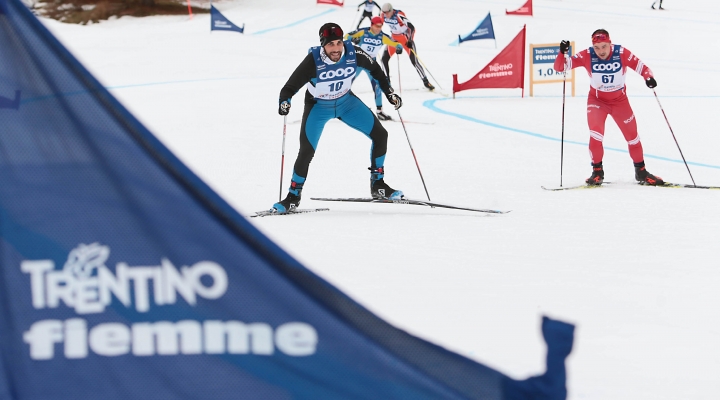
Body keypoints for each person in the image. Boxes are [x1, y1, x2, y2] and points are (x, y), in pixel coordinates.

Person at [274, 22, 404, 213]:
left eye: (338, 43)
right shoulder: (313, 60)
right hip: (318, 107)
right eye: (330, 45)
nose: (335, 49)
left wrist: (390, 93)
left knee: (381, 135)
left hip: (346, 103)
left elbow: (376, 70)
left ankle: (378, 186)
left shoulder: (355, 53)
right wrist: (284, 102)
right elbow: (289, 88)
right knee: (306, 152)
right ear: (322, 45)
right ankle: (293, 196)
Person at [554, 29, 664, 186]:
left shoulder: (621, 52)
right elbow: (560, 67)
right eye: (597, 48)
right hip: (597, 101)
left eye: (604, 46)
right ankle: (597, 171)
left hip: (620, 101)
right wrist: (561, 53)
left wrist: (649, 78)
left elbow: (642, 67)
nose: (601, 51)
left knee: (632, 136)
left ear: (610, 43)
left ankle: (641, 171)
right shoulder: (587, 54)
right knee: (596, 134)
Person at [345, 16, 404, 121]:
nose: (378, 29)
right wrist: (353, 38)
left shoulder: (382, 37)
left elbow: (395, 43)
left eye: (380, 26)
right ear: (372, 24)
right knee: (346, 84)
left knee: (377, 86)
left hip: (371, 63)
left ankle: (380, 111)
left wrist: (399, 47)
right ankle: (338, 106)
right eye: (377, 26)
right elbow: (347, 36)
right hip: (358, 62)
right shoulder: (363, 32)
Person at [379, 3, 435, 91]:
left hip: (405, 38)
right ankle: (387, 83)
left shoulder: (399, 14)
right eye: (384, 13)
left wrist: (410, 40)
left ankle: (426, 81)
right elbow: (377, 27)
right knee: (384, 59)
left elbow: (412, 27)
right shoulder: (382, 15)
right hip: (394, 38)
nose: (385, 15)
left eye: (387, 13)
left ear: (391, 11)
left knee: (414, 61)